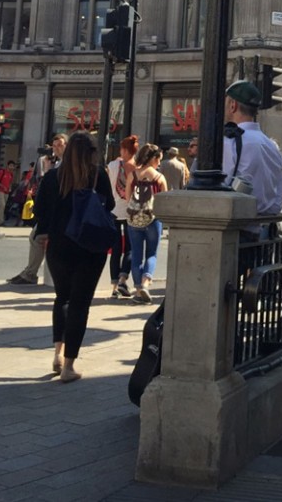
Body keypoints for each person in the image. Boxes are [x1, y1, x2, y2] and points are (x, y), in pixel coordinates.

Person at [34, 130, 114, 383]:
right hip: (90, 245)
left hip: (59, 245)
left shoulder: (52, 177)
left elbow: (40, 212)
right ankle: (69, 365)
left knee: (63, 298)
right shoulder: (97, 175)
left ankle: (57, 354)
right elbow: (109, 205)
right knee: (81, 303)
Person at [222, 80, 282, 238]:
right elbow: (280, 190)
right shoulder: (272, 145)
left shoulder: (230, 141)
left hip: (237, 229)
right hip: (266, 229)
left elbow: (222, 183)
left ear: (233, 105)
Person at [9, 134, 65, 285]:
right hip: (50, 211)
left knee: (36, 237)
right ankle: (29, 271)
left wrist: (48, 172)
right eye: (54, 146)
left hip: (56, 213)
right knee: (35, 237)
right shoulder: (56, 163)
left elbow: (53, 185)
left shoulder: (64, 165)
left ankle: (30, 273)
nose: (56, 148)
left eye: (60, 145)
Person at [124, 143, 167, 302]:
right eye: (159, 159)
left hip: (134, 219)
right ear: (153, 158)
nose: (160, 163)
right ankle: (145, 283)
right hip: (153, 219)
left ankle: (137, 290)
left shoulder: (132, 175)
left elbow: (128, 198)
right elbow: (164, 201)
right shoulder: (159, 177)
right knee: (152, 253)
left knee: (136, 254)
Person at [106, 135, 139, 299]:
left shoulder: (113, 165)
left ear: (124, 150)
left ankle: (113, 287)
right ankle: (123, 279)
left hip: (113, 210)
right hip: (130, 210)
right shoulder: (136, 168)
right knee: (130, 248)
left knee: (116, 249)